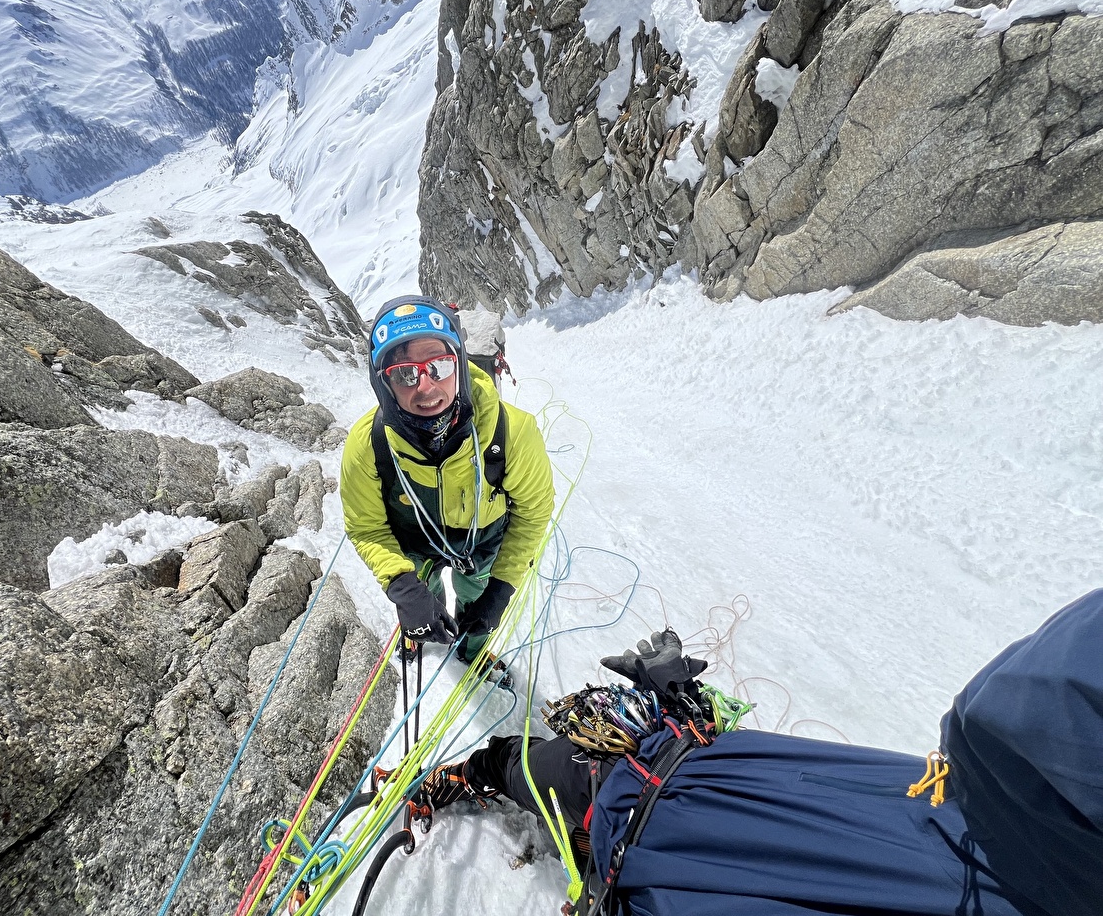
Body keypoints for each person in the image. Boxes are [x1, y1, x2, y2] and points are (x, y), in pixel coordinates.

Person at [422, 590, 1103, 916]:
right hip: (673, 789)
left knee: (548, 770)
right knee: (549, 770)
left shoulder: (1013, 806)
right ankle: (486, 769)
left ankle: (483, 770)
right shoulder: (1019, 818)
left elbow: (1031, 702)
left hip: (665, 796)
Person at [340, 295, 554, 671]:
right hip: (414, 544)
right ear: (383, 383)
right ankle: (421, 626)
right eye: (405, 373)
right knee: (423, 593)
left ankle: (472, 650)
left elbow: (533, 513)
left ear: (459, 363)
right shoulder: (368, 445)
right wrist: (404, 589)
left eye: (439, 365)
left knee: (477, 597)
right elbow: (366, 526)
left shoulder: (512, 432)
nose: (425, 386)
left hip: (480, 540)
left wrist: (500, 592)